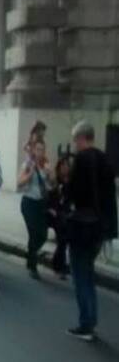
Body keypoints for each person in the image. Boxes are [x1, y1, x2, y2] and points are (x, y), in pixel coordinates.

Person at [66, 121, 117, 341]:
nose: (74, 144)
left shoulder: (81, 160)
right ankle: (91, 320)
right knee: (89, 273)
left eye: (75, 140)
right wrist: (111, 230)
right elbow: (110, 199)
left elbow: (72, 193)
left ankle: (86, 324)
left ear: (80, 138)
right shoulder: (106, 160)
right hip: (99, 228)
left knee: (80, 276)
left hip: (82, 227)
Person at [17, 140, 51, 280]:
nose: (40, 152)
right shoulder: (27, 165)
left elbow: (51, 185)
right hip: (28, 203)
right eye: (37, 149)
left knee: (43, 235)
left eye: (42, 149)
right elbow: (19, 183)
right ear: (33, 151)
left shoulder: (46, 166)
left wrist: (50, 174)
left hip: (41, 204)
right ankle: (33, 266)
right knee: (34, 233)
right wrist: (30, 172)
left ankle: (31, 256)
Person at [49, 156, 72, 280]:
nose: (65, 168)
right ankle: (60, 266)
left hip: (67, 213)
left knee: (64, 240)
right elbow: (50, 197)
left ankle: (58, 263)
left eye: (67, 165)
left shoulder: (71, 182)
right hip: (56, 213)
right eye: (62, 165)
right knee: (62, 239)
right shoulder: (56, 181)